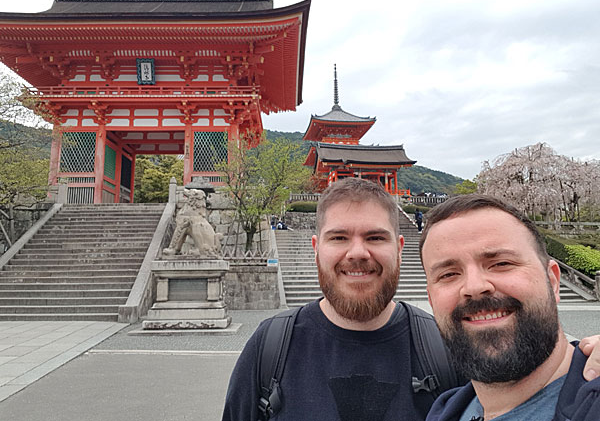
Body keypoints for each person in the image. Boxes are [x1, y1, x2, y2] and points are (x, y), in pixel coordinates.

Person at [222, 179, 600, 421]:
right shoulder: (271, 346)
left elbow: (523, 352)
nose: (475, 287)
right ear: (315, 249)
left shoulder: (441, 343)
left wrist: (584, 353)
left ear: (399, 249)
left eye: (375, 237)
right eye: (339, 238)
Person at [420, 194, 600, 421]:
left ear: (553, 281)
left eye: (501, 263)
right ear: (431, 299)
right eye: (448, 274)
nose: (475, 287)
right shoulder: (445, 410)